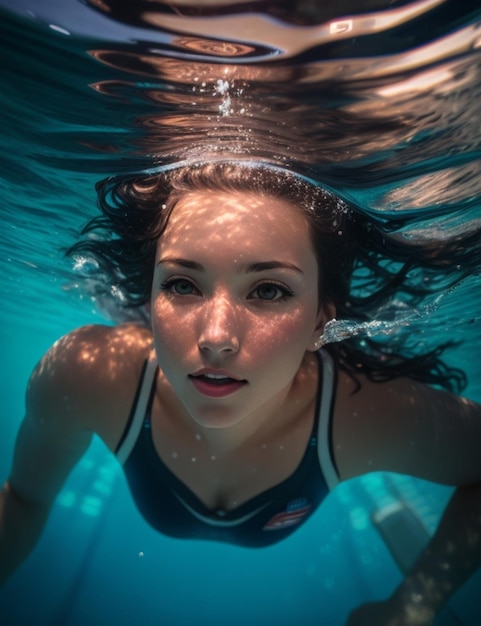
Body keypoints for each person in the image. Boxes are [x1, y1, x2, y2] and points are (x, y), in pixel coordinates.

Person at [1, 161, 481, 625]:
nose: (216, 336)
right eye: (183, 283)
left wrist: (415, 603)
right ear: (149, 297)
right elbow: (22, 500)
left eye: (268, 290)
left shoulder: (361, 417)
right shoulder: (86, 375)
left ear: (321, 320)